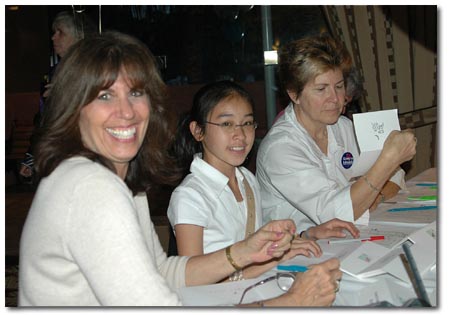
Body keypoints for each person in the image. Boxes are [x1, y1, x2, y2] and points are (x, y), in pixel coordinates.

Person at [18, 31, 341, 307]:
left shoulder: (117, 182)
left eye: (135, 93)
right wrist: (288, 303)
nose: (126, 112)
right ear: (74, 109)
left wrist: (241, 254)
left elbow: (162, 271)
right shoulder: (89, 188)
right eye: (105, 95)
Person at [167, 80, 359, 281]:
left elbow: (255, 246)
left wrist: (307, 235)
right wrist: (275, 259)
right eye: (226, 124)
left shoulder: (247, 180)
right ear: (198, 131)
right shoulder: (190, 196)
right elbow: (191, 282)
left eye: (247, 123)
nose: (240, 135)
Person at [256, 33, 417, 232]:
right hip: (294, 252)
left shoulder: (342, 126)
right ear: (294, 94)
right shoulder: (279, 149)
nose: (335, 99)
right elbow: (335, 214)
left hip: (343, 239)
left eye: (339, 86)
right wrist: (389, 159)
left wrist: (375, 196)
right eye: (321, 89)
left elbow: (395, 177)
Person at [18, 10, 96, 180]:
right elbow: (45, 119)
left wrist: (65, 93)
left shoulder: (94, 70)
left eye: (60, 32)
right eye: (54, 33)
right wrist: (31, 156)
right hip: (60, 155)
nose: (53, 38)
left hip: (87, 154)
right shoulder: (55, 73)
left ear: (78, 36)